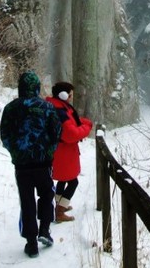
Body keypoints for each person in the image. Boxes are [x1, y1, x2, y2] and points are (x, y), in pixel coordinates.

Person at [0, 71, 61, 258]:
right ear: (36, 87)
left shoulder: (11, 108)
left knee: (26, 201)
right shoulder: (47, 107)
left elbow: (5, 134)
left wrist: (15, 152)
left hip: (22, 165)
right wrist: (49, 151)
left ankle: (31, 243)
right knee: (46, 194)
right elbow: (56, 132)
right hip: (43, 163)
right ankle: (44, 229)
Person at [46, 81, 93, 222]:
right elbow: (71, 134)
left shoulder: (58, 106)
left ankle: (60, 206)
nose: (72, 97)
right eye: (70, 94)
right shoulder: (60, 111)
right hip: (63, 152)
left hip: (60, 151)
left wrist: (84, 122)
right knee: (73, 182)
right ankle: (60, 211)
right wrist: (87, 127)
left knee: (62, 180)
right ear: (63, 95)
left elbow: (73, 120)